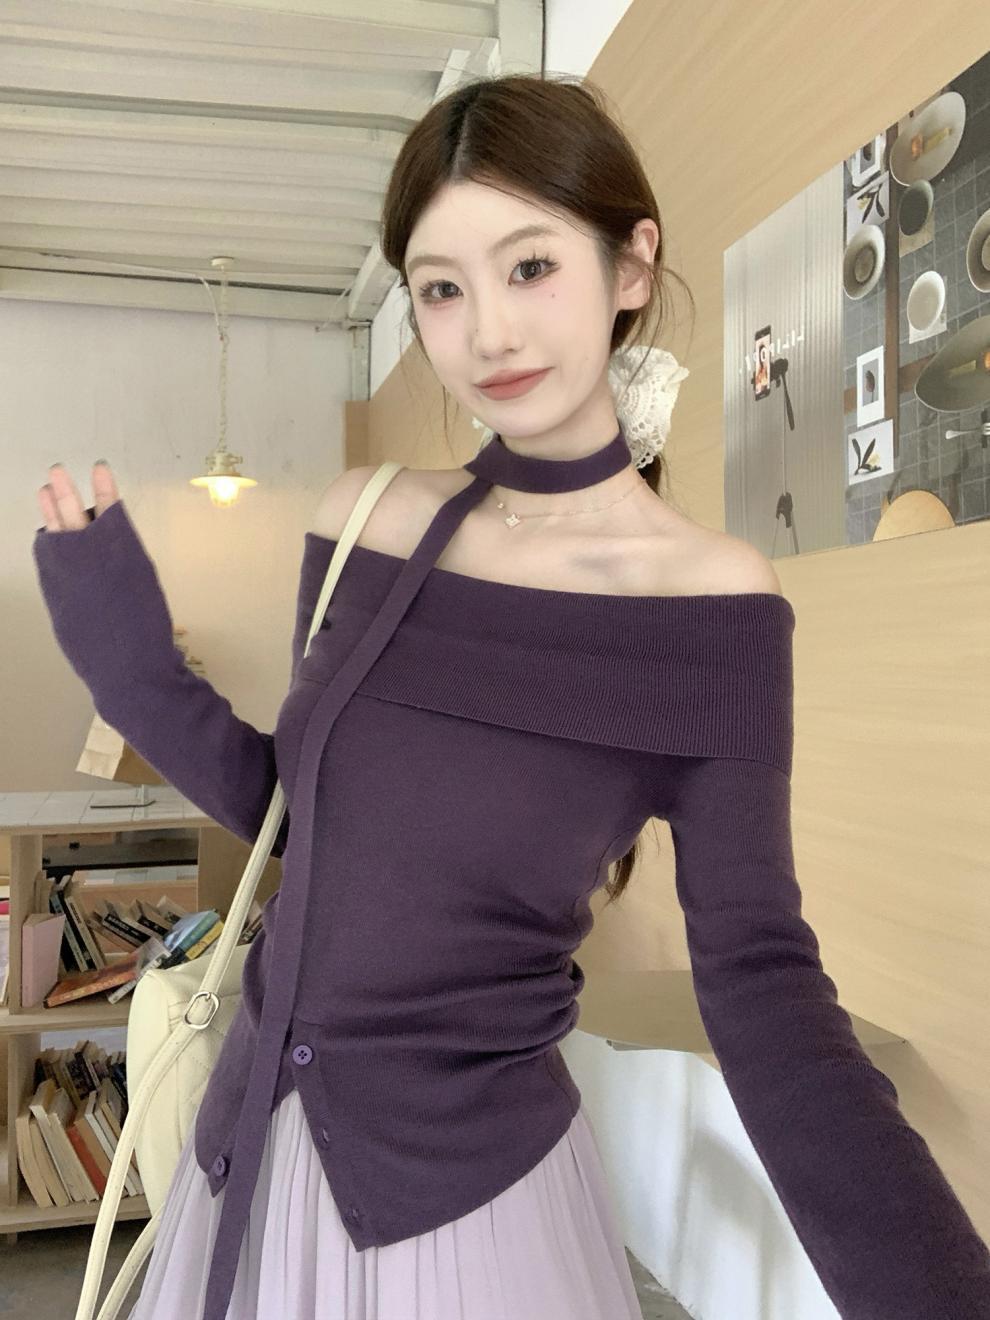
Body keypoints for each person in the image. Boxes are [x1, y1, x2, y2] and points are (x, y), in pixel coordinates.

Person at [33, 73, 990, 1320]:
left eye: (530, 267)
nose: (487, 334)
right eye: (441, 289)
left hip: (466, 1223)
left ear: (630, 264)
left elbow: (762, 982)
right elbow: (303, 818)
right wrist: (128, 665)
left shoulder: (712, 609)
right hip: (252, 1167)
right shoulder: (367, 519)